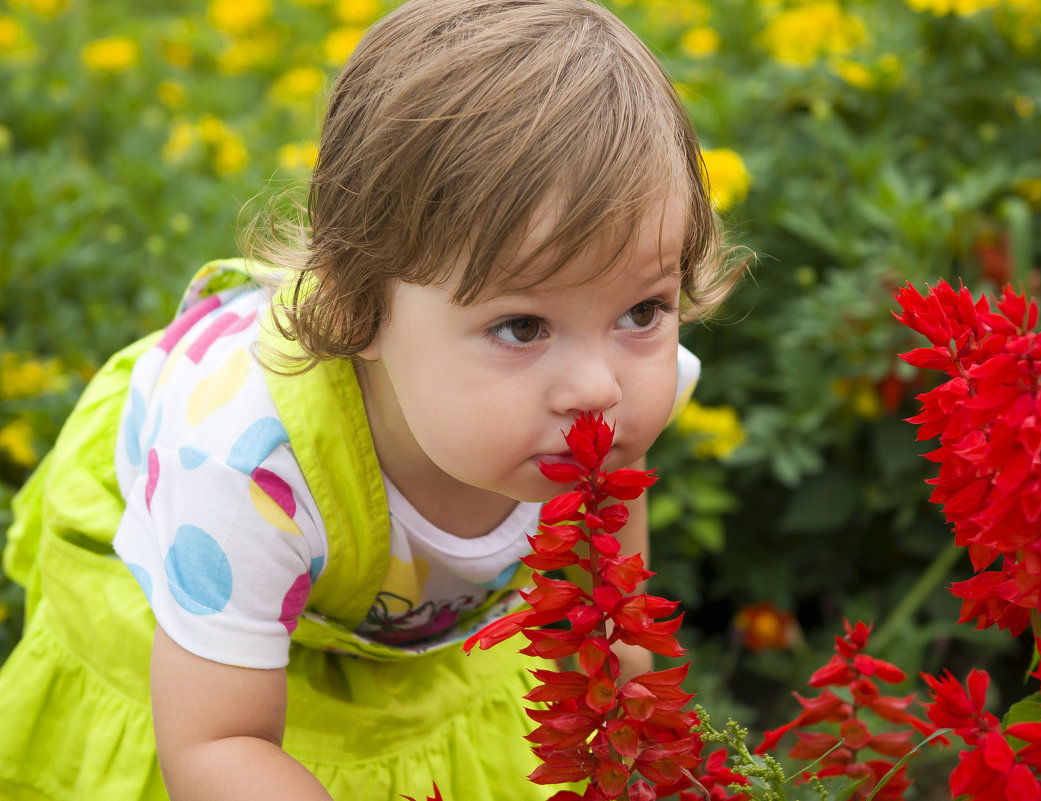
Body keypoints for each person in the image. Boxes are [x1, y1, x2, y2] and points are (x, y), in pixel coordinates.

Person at [0, 0, 744, 798]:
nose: (599, 388)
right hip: (193, 595)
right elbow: (216, 745)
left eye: (642, 311)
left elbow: (609, 603)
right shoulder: (243, 474)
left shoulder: (612, 400)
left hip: (397, 616)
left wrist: (630, 738)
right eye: (523, 325)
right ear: (358, 311)